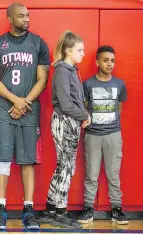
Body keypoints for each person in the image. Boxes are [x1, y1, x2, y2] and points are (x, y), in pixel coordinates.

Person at [0, 3, 50, 230]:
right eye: (21, 16)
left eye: (28, 15)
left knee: (27, 160)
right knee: (2, 159)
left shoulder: (38, 43)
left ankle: (28, 210)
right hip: (5, 107)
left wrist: (24, 102)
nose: (26, 19)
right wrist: (16, 101)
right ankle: (1, 210)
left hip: (29, 108)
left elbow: (42, 79)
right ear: (10, 19)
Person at [40, 30, 90, 229]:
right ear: (68, 50)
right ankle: (60, 212)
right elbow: (65, 104)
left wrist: (82, 116)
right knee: (67, 168)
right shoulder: (62, 70)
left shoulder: (71, 70)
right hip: (64, 121)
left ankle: (50, 209)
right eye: (79, 50)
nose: (83, 53)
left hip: (71, 121)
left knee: (63, 166)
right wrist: (85, 116)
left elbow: (75, 102)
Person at [78, 45, 128, 225]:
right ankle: (88, 208)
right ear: (97, 62)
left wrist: (110, 123)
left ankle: (117, 209)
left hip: (113, 134)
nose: (109, 64)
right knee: (91, 173)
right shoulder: (88, 84)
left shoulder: (119, 84)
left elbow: (119, 108)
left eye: (112, 61)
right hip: (92, 135)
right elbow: (84, 107)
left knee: (113, 174)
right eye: (105, 60)